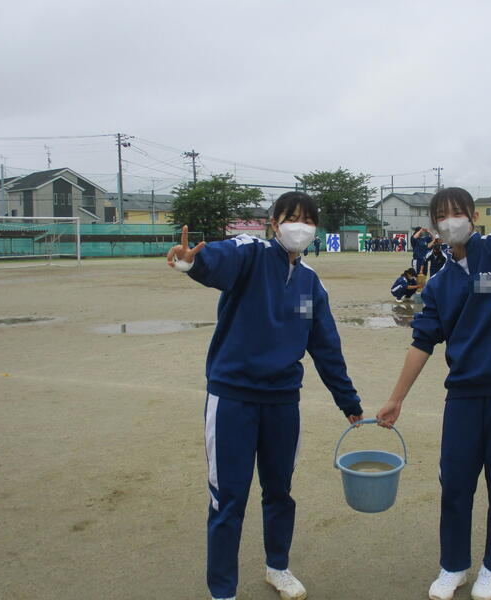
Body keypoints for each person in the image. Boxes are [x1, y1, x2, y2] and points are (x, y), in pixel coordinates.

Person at [167, 191, 363, 600]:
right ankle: (223, 590)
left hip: (282, 401)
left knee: (279, 492)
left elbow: (325, 346)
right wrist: (193, 262)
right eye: (291, 218)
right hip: (233, 398)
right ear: (274, 223)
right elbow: (218, 260)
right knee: (228, 497)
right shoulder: (250, 254)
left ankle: (278, 567)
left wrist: (348, 401)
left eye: (308, 220)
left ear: (316, 228)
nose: (299, 226)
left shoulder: (310, 283)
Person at [376, 175, 491, 600]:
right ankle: (453, 565)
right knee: (455, 482)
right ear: (434, 226)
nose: (450, 221)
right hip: (463, 393)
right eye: (441, 216)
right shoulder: (440, 283)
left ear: (473, 217)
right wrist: (395, 399)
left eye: (457, 213)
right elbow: (422, 341)